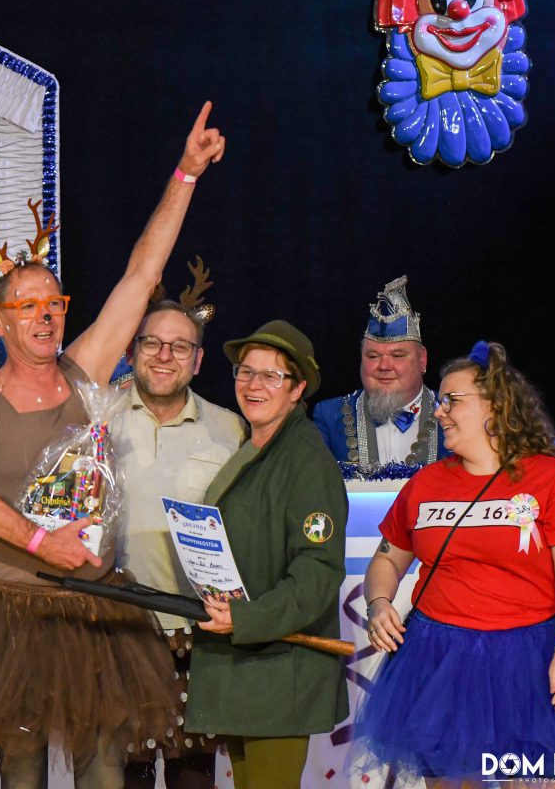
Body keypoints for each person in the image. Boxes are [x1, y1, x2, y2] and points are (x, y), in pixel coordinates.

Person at [0, 102, 226, 788]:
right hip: (15, 617)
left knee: (104, 775)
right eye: (28, 307)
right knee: (24, 778)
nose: (45, 316)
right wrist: (39, 542)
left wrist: (185, 174)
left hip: (95, 608)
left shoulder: (84, 371)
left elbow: (142, 274)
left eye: (54, 304)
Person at [354, 341, 555, 784]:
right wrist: (379, 603)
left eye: (452, 400)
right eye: (440, 401)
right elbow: (386, 561)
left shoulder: (552, 480)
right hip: (438, 661)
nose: (439, 412)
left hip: (528, 663)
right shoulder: (425, 484)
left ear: (495, 405)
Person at [186, 320, 349, 788]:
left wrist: (246, 618)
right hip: (247, 666)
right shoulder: (252, 446)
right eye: (246, 371)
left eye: (271, 376)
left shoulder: (306, 460)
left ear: (297, 390)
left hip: (280, 669)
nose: (254, 384)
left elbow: (317, 573)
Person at [114, 289, 246, 788]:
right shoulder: (96, 418)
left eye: (180, 346)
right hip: (119, 628)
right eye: (152, 343)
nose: (164, 356)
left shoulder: (230, 429)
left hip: (198, 631)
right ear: (132, 351)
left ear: (198, 360)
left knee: (193, 776)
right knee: (126, 776)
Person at [313, 275, 447, 467]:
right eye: (373, 356)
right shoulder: (330, 416)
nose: (384, 366)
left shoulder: (452, 415)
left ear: (422, 360)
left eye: (397, 355)